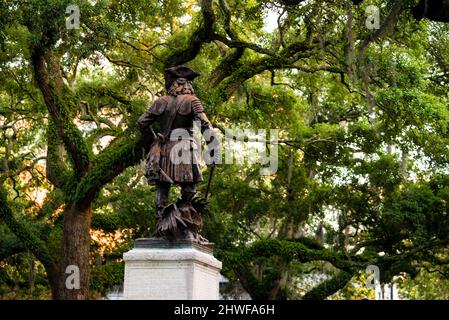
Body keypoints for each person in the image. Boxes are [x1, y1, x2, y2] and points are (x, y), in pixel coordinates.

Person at [138, 66, 218, 224]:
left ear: (173, 85)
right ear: (185, 84)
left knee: (162, 187)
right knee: (188, 186)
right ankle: (188, 221)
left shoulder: (161, 102)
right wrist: (213, 147)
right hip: (184, 148)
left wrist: (154, 139)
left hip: (164, 148)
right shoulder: (192, 101)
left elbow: (142, 123)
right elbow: (205, 126)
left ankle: (160, 222)